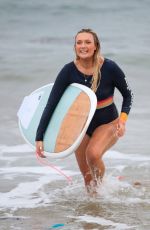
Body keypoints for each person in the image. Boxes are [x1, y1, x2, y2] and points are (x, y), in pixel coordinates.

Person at [35, 28, 133, 193]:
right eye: (79, 42)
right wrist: (39, 137)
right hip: (80, 125)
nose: (83, 46)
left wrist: (122, 121)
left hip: (108, 122)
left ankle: (102, 191)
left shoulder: (110, 67)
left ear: (95, 46)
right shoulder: (68, 71)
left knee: (93, 155)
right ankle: (94, 209)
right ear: (75, 47)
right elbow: (51, 104)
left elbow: (128, 95)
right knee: (87, 178)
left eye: (87, 42)